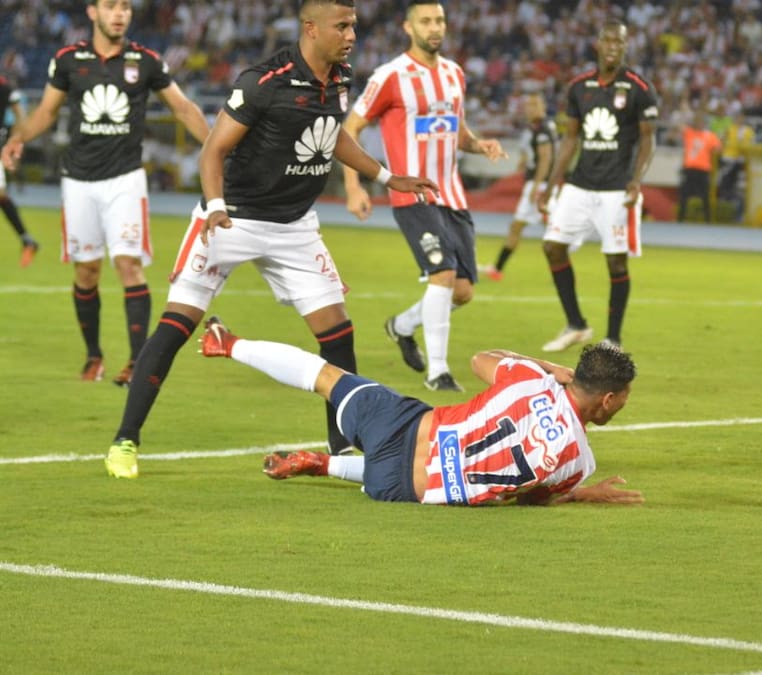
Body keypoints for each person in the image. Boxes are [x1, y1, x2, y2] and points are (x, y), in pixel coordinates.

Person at [102, 0, 438, 479]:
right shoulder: (263, 81)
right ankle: (124, 441)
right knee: (175, 327)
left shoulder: (340, 77)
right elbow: (213, 151)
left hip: (294, 226)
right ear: (311, 29)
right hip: (231, 220)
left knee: (338, 335)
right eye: (342, 27)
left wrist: (386, 176)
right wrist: (215, 206)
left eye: (354, 26)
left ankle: (341, 448)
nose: (351, 36)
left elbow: (331, 134)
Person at [198, 316, 643, 506]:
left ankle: (229, 345)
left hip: (400, 425)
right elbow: (529, 498)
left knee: (325, 376)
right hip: (398, 487)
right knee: (453, 469)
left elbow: (481, 359)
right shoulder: (578, 462)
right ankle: (324, 465)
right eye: (623, 397)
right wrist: (583, 493)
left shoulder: (529, 379)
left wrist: (548, 367)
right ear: (607, 400)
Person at [0, 0, 209, 384]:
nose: (120, 14)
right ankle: (93, 356)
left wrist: (215, 147)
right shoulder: (67, 59)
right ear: (93, 12)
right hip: (78, 181)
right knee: (86, 271)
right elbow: (45, 112)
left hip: (125, 180)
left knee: (128, 264)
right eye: (111, 6)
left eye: (125, 7)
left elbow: (182, 108)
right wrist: (17, 139)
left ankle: (136, 362)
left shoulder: (146, 61)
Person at [343, 0, 507, 393]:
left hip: (454, 196)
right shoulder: (391, 76)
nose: (435, 28)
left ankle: (401, 326)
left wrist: (479, 144)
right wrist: (353, 185)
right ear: (408, 27)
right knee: (442, 275)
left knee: (462, 292)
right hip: (412, 195)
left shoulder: (454, 74)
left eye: (440, 21)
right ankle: (438, 373)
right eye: (426, 21)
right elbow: (350, 128)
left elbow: (457, 132)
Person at [536, 19, 659, 352]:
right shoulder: (578, 87)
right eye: (608, 41)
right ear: (598, 44)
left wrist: (636, 181)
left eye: (619, 42)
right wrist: (551, 184)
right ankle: (576, 324)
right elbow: (570, 140)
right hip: (579, 184)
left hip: (617, 188)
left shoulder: (638, 88)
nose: (613, 47)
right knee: (552, 247)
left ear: (625, 46)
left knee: (616, 262)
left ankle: (613, 339)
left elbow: (648, 140)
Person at [483, 92, 557, 281]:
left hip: (540, 185)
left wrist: (537, 185)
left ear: (542, 107)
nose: (530, 109)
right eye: (528, 106)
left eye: (534, 105)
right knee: (545, 228)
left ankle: (497, 268)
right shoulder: (539, 127)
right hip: (541, 184)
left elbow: (546, 158)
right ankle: (497, 268)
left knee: (529, 227)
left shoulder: (542, 129)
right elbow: (535, 155)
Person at [0, 73, 37, 267]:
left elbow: (20, 115)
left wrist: (15, 141)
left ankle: (27, 239)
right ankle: (27, 239)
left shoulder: (4, 86)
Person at [677, 110, 721, 222]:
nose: (699, 123)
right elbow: (680, 126)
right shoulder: (689, 133)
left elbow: (718, 148)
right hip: (689, 168)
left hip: (703, 169)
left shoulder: (709, 136)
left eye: (701, 121)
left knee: (705, 195)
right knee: (684, 194)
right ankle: (680, 218)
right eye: (697, 121)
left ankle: (707, 219)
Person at [716, 109, 755, 222]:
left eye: (741, 117)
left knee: (739, 189)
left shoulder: (748, 131)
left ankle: (738, 213)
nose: (739, 119)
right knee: (724, 186)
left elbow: (752, 146)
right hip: (728, 161)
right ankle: (724, 212)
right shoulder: (729, 129)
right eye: (737, 117)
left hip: (741, 163)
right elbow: (720, 142)